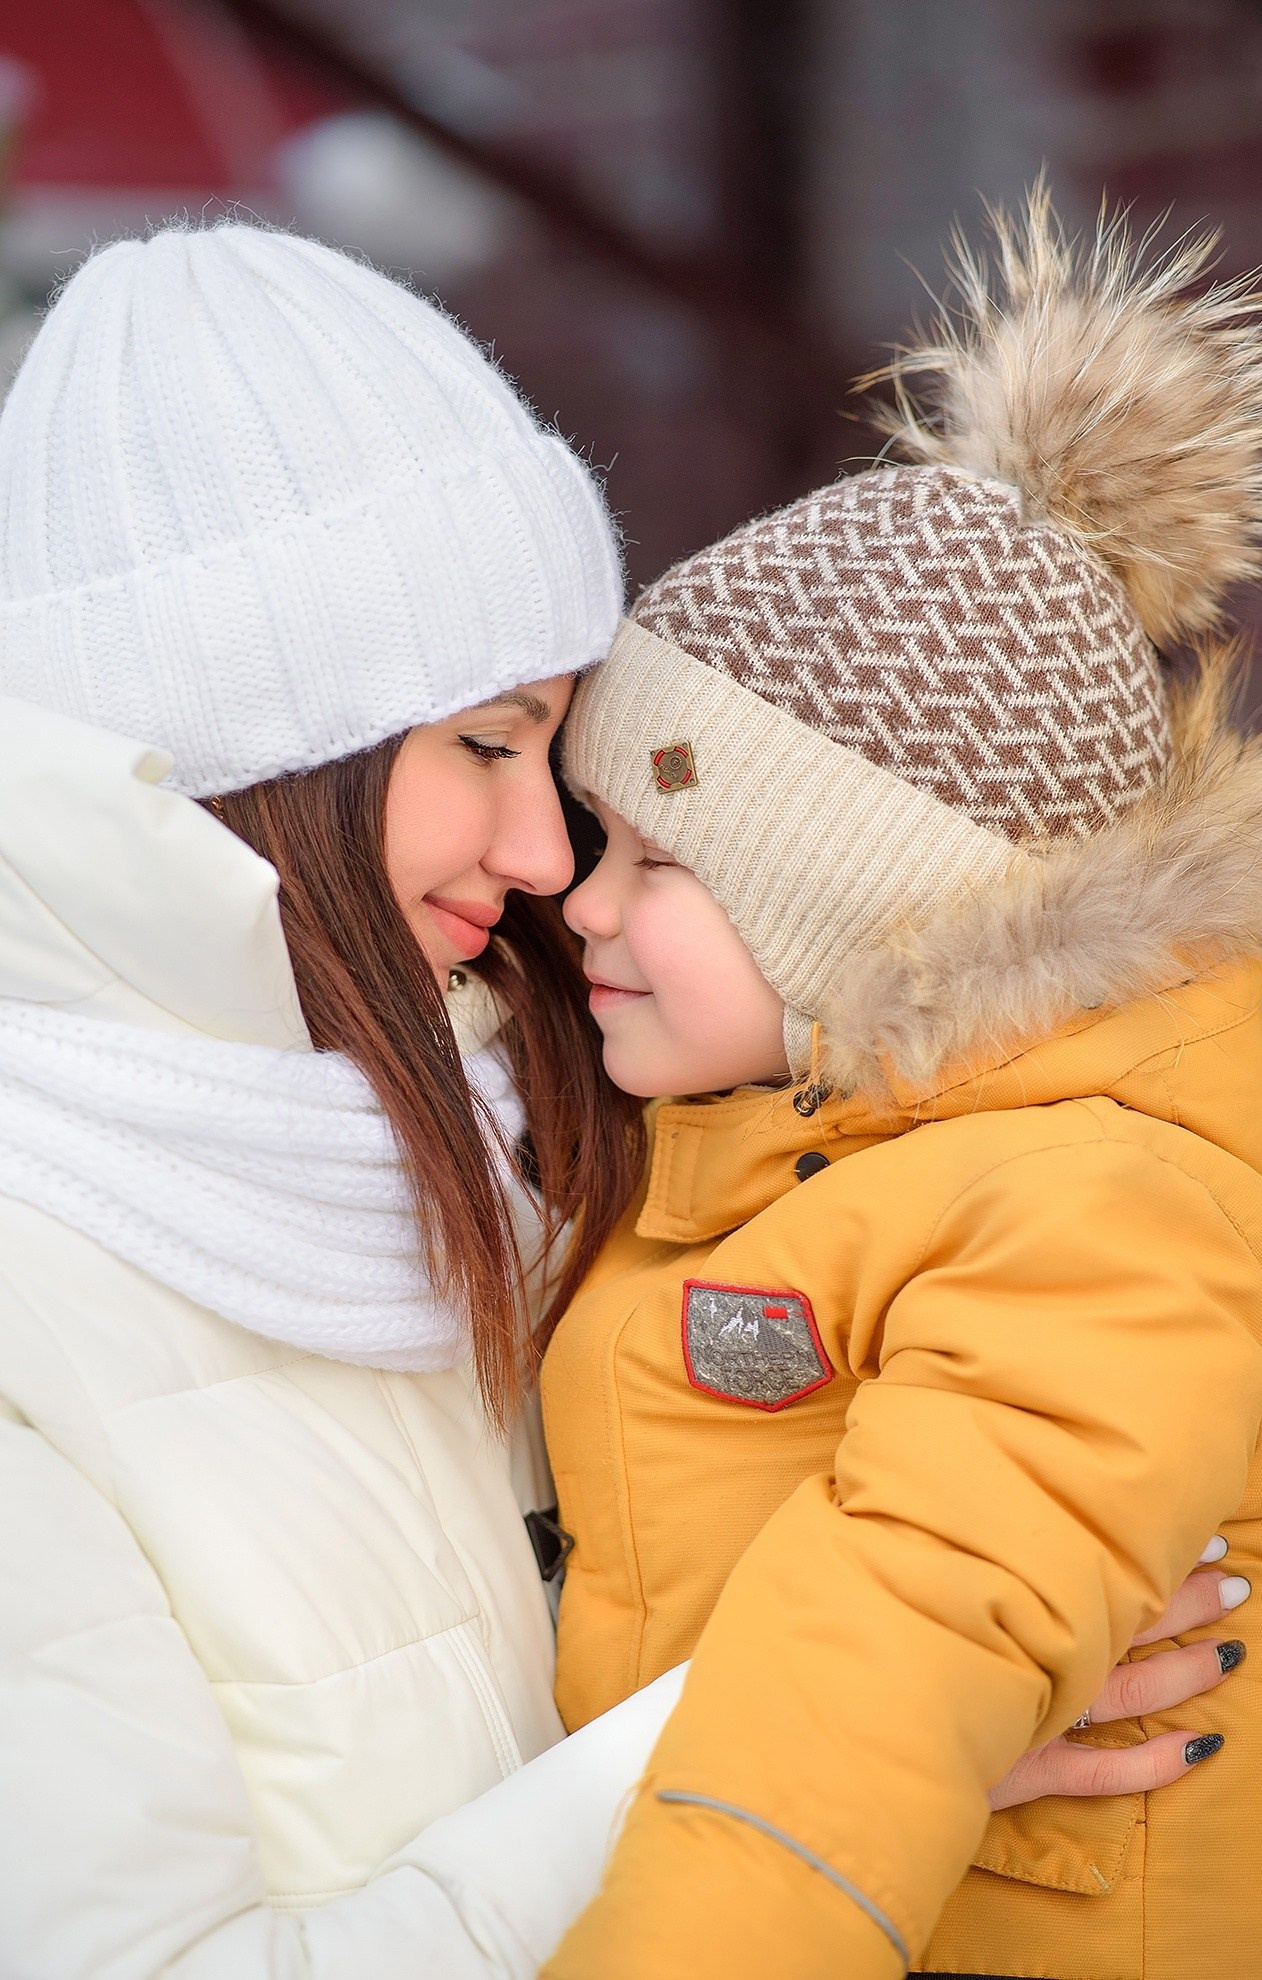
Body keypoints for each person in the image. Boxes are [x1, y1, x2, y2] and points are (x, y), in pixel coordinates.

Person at [541, 193, 1262, 1979]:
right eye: (598, 841)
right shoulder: (790, 1155)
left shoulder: (1094, 1217)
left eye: (661, 862)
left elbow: (894, 1659)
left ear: (864, 917)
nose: (580, 902)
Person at [0, 219, 685, 1979]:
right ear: (259, 750)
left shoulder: (512, 1123)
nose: (545, 856)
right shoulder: (29, 1292)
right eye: (485, 743)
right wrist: (813, 1735)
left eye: (553, 753)